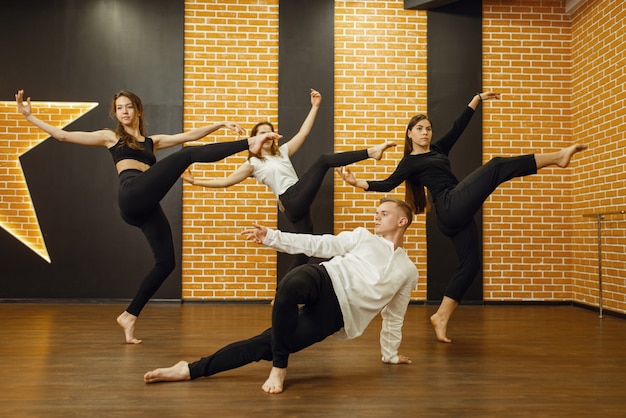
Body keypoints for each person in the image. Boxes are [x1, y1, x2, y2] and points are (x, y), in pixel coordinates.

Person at [15, 89, 279, 344]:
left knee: (166, 263)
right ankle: (249, 144)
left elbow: (189, 134)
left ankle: (129, 316)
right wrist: (29, 116)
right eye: (119, 108)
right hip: (131, 194)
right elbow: (63, 136)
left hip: (146, 205)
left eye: (129, 106)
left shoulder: (152, 142)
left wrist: (220, 123)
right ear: (115, 114)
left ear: (138, 110)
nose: (124, 111)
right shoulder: (110, 137)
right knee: (186, 155)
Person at [337, 92, 587, 343]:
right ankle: (558, 157)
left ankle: (441, 316)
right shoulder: (410, 162)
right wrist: (356, 182)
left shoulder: (436, 150)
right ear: (409, 133)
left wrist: (476, 99)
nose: (425, 133)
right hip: (448, 205)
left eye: (428, 129)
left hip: (454, 211)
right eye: (420, 128)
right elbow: (388, 183)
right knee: (498, 165)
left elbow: (459, 127)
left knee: (470, 265)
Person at [143, 197, 418, 394]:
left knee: (264, 343)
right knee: (289, 285)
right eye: (377, 212)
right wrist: (272, 237)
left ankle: (189, 369)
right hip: (324, 279)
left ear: (402, 221)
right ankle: (279, 365)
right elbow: (319, 243)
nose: (376, 217)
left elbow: (394, 315)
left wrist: (390, 354)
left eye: (383, 213)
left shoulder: (407, 270)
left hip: (335, 315)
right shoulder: (363, 237)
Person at [182, 88, 396, 275]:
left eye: (269, 132)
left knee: (305, 248)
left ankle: (280, 293)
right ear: (254, 138)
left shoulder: (282, 152)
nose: (267, 135)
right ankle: (372, 151)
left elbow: (303, 133)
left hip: (297, 205)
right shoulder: (253, 163)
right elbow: (225, 182)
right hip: (291, 199)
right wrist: (195, 181)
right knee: (323, 160)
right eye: (262, 133)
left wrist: (315, 106)